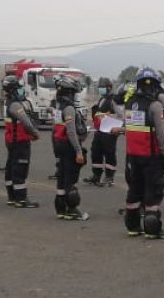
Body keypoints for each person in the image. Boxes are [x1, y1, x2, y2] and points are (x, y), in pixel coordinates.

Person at [122, 68, 164, 239]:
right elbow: (161, 134)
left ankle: (133, 226)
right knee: (153, 192)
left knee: (134, 191)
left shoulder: (129, 104)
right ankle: (152, 229)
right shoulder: (155, 105)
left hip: (132, 155)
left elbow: (127, 128)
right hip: (151, 156)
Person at [51, 75, 90, 220]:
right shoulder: (69, 109)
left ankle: (60, 208)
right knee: (70, 179)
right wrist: (78, 151)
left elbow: (55, 130)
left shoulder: (58, 107)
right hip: (69, 146)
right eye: (74, 92)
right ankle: (72, 209)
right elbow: (71, 131)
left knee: (61, 177)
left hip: (60, 145)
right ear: (69, 92)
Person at [1, 75, 40, 208]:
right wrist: (35, 133)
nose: (21, 90)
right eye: (19, 88)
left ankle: (12, 197)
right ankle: (21, 199)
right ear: (13, 90)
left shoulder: (8, 103)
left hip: (12, 140)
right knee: (20, 169)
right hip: (20, 141)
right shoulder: (15, 105)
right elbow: (26, 122)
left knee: (11, 168)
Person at [86, 77, 122, 187]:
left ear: (109, 88)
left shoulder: (113, 100)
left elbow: (121, 116)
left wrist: (114, 124)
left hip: (109, 132)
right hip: (99, 131)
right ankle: (96, 175)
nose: (101, 89)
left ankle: (109, 177)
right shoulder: (102, 99)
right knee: (96, 152)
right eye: (99, 87)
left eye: (102, 87)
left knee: (109, 153)